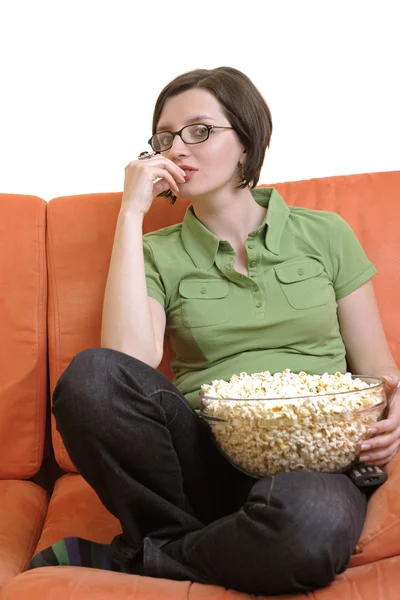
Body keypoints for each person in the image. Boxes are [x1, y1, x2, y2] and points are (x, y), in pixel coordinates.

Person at [30, 67, 400, 596]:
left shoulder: (326, 234)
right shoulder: (157, 253)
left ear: (246, 143)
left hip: (311, 457)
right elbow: (127, 361)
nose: (177, 148)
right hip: (205, 458)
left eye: (200, 130)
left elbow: (377, 369)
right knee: (90, 376)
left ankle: (145, 557)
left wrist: (394, 404)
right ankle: (213, 539)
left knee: (307, 534)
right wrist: (131, 213)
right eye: (165, 137)